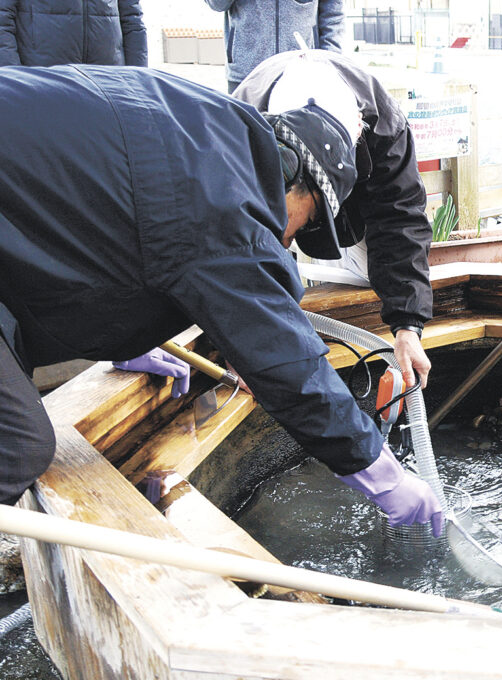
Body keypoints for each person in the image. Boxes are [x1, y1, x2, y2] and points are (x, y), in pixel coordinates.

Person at [0, 65, 442, 537]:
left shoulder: (208, 126)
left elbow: (99, 210)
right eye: (308, 223)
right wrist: (383, 476)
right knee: (16, 448)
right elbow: (291, 371)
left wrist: (122, 334)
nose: (290, 238)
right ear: (298, 185)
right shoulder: (222, 203)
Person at [233, 49, 433, 391]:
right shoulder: (236, 131)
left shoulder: (383, 126)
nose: (287, 238)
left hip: (361, 180)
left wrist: (407, 326)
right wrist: (239, 341)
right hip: (253, 158)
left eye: (310, 219)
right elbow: (226, 248)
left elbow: (399, 221)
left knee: (375, 272)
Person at [203, 0, 344, 93]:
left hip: (302, 73)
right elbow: (217, 4)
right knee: (246, 138)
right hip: (246, 75)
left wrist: (329, 61)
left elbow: (333, 15)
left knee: (298, 138)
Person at [0, 0, 147, 67]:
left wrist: (139, 79)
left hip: (108, 85)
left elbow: (132, 22)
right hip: (42, 84)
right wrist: (14, 78)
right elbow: (2, 21)